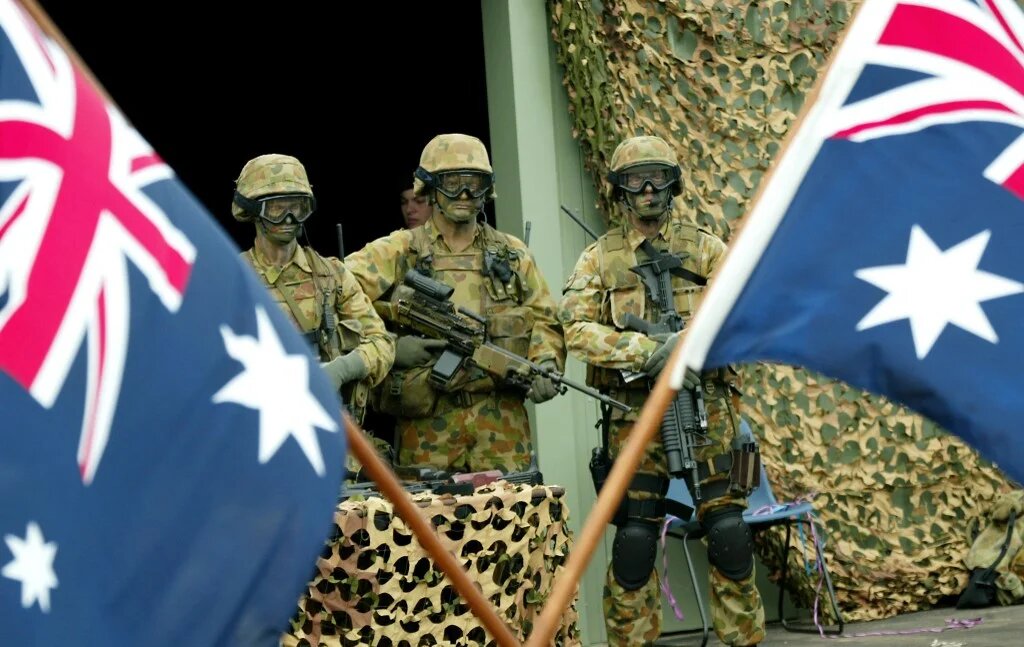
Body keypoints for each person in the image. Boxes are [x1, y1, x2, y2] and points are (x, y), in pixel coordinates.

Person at [558, 135, 766, 646]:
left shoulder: (706, 248)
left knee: (730, 533)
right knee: (634, 540)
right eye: (635, 180)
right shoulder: (599, 259)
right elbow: (575, 328)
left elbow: (748, 315)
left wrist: (691, 350)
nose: (648, 190)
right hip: (634, 416)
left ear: (673, 184)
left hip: (707, 410)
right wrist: (644, 352)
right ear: (620, 189)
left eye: (657, 178)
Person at [345, 133, 565, 474]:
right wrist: (390, 346)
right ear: (431, 188)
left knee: (510, 509)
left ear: (487, 189)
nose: (464, 194)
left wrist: (546, 362)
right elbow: (337, 295)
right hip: (427, 428)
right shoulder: (399, 250)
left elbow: (545, 318)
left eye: (474, 184)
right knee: (427, 509)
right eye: (452, 183)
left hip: (501, 425)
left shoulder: (512, 253)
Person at [232, 153, 395, 424]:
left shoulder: (332, 275)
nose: (289, 218)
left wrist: (343, 368)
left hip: (330, 426)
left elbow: (382, 342)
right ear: (252, 210)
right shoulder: (232, 278)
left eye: (297, 208)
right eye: (276, 208)